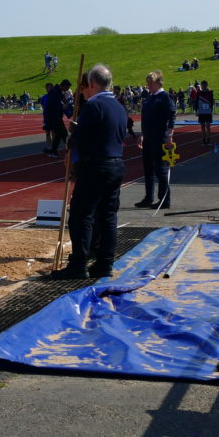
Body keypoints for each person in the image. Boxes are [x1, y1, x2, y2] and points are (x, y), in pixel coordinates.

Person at [49, 64, 127, 280]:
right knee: (108, 216)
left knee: (81, 215)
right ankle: (104, 264)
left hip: (95, 166)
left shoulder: (93, 106)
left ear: (92, 83)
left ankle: (78, 264)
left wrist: (72, 134)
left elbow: (78, 139)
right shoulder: (119, 107)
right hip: (115, 164)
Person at [135, 70, 175, 209]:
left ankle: (164, 199)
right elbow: (145, 117)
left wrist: (169, 134)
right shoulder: (149, 97)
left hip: (159, 138)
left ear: (158, 83)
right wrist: (142, 134)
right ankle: (148, 198)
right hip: (148, 137)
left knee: (160, 169)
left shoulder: (165, 97)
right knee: (148, 168)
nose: (148, 85)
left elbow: (172, 115)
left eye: (151, 83)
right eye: (148, 83)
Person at [43, 79, 71, 156]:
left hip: (55, 116)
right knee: (64, 134)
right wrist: (63, 107)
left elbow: (62, 98)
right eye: (67, 88)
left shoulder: (58, 91)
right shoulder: (55, 92)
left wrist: (65, 102)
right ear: (64, 86)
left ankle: (53, 150)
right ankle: (71, 150)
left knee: (58, 134)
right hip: (54, 117)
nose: (67, 90)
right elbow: (52, 106)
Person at [195, 80, 215, 145]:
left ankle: (208, 140)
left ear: (205, 85)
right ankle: (203, 140)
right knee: (202, 127)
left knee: (208, 126)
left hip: (208, 112)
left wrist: (211, 110)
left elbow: (212, 102)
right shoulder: (199, 93)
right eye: (201, 85)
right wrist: (196, 110)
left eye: (202, 85)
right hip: (201, 112)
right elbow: (196, 102)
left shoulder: (210, 93)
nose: (202, 86)